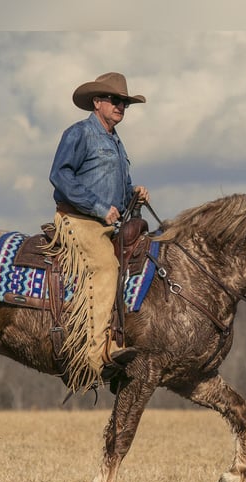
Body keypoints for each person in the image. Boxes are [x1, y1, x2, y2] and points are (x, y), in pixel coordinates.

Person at [45, 72, 149, 392]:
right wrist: (98, 207)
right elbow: (60, 176)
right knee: (106, 267)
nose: (121, 107)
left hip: (107, 224)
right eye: (115, 100)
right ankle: (95, 354)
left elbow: (117, 186)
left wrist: (134, 194)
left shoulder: (116, 141)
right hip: (79, 221)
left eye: (125, 103)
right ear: (97, 102)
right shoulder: (79, 134)